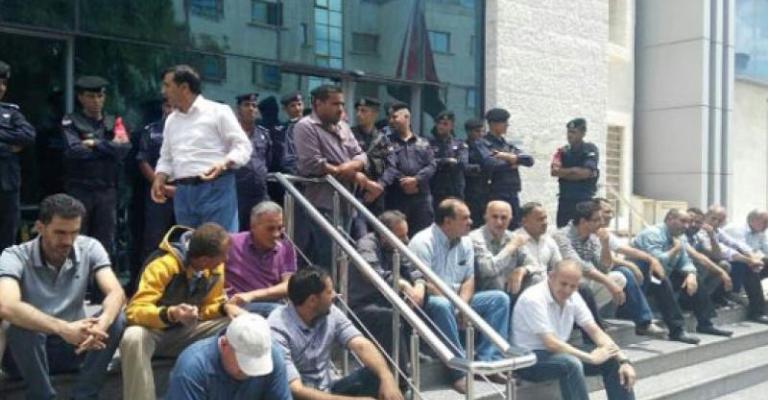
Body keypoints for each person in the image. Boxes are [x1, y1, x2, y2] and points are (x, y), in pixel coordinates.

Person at [0, 194, 126, 399]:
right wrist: (63, 328)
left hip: (76, 347)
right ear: (40, 228)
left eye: (74, 232)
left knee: (116, 317)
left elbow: (116, 292)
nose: (67, 241)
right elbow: (6, 305)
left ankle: (85, 394)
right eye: (60, 233)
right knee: (16, 323)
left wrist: (103, 323)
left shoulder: (89, 247)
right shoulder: (14, 255)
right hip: (27, 353)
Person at [120, 223, 245, 400]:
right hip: (154, 333)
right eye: (223, 254)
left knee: (235, 323)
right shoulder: (162, 265)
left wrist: (224, 307)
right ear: (204, 260)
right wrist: (171, 313)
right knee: (133, 337)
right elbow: (134, 310)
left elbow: (207, 308)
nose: (227, 258)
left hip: (187, 331)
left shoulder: (215, 268)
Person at [409, 198, 510, 391]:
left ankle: (489, 361)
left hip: (457, 300)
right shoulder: (422, 242)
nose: (470, 222)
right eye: (465, 218)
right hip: (430, 302)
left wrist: (462, 306)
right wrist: (456, 307)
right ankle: (459, 372)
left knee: (499, 299)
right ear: (447, 221)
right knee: (442, 305)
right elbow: (425, 282)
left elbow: (469, 278)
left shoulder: (466, 241)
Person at [268, 267, 403, 400]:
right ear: (312, 300)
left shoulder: (330, 311)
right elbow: (296, 389)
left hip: (328, 389)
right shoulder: (278, 327)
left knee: (375, 374)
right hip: (301, 396)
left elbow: (361, 345)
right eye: (329, 292)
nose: (335, 295)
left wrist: (386, 377)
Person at [513, 259, 636, 400]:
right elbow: (550, 343)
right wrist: (590, 358)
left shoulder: (574, 296)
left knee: (612, 360)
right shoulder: (533, 298)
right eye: (563, 284)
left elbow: (595, 331)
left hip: (557, 353)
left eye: (573, 286)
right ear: (551, 276)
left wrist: (624, 361)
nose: (567, 290)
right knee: (571, 364)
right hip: (528, 359)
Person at [151, 65, 252, 232]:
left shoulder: (218, 111)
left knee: (218, 244)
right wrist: (159, 178)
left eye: (167, 85)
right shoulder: (171, 120)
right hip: (183, 193)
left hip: (215, 188)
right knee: (188, 245)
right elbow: (166, 157)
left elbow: (243, 146)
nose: (163, 91)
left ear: (184, 88)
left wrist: (224, 163)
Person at [293, 84, 382, 269]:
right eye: (335, 104)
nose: (341, 109)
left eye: (342, 104)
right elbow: (313, 164)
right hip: (322, 203)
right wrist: (355, 176)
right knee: (328, 258)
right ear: (318, 104)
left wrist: (349, 168)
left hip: (346, 201)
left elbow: (361, 155)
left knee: (342, 257)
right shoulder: (305, 126)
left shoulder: (343, 126)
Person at [553, 201, 666, 338]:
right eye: (596, 220)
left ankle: (643, 322)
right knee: (590, 284)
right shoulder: (562, 236)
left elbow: (604, 268)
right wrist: (609, 283)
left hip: (584, 281)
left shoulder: (593, 237)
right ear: (583, 221)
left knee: (620, 277)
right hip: (564, 284)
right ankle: (587, 326)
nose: (601, 223)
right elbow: (579, 266)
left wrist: (605, 244)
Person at [593, 199, 699, 343]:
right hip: (597, 277)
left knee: (661, 276)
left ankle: (679, 328)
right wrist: (635, 264)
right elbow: (600, 260)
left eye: (612, 212)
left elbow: (625, 250)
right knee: (633, 270)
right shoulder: (653, 233)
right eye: (607, 212)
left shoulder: (606, 233)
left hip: (628, 278)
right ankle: (643, 321)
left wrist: (652, 260)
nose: (611, 215)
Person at [632, 209, 733, 337]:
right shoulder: (653, 234)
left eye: (688, 222)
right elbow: (656, 261)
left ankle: (705, 323)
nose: (686, 226)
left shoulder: (679, 237)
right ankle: (676, 330)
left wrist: (691, 274)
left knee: (692, 277)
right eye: (683, 221)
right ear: (670, 219)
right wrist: (675, 249)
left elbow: (685, 261)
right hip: (641, 280)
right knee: (660, 277)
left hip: (662, 276)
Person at [349, 210, 424, 380]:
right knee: (389, 316)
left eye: (406, 234)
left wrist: (419, 285)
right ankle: (402, 376)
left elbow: (413, 269)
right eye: (401, 236)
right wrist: (402, 283)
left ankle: (413, 352)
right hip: (363, 304)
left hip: (387, 300)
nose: (406, 240)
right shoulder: (367, 244)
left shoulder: (395, 245)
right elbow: (371, 273)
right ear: (384, 235)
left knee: (423, 301)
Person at [62, 75, 132, 253]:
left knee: (105, 242)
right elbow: (74, 151)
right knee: (77, 240)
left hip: (107, 190)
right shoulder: (71, 121)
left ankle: (101, 272)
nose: (96, 101)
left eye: (100, 96)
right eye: (91, 96)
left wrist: (95, 144)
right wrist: (109, 148)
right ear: (81, 97)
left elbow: (124, 149)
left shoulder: (114, 122)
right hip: (81, 189)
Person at [165, 313, 292, 400]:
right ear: (224, 344)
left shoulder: (273, 356)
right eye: (244, 361)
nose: (250, 371)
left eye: (258, 362)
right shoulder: (192, 368)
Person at [696, 206, 768, 323]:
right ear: (706, 216)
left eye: (720, 220)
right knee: (740, 265)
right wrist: (749, 260)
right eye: (713, 218)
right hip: (701, 267)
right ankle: (755, 310)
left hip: (718, 263)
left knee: (754, 264)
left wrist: (751, 256)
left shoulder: (717, 231)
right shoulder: (701, 232)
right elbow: (723, 252)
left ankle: (730, 296)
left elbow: (735, 244)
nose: (716, 222)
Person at [225, 201, 296, 317]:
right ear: (253, 227)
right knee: (279, 312)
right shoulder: (231, 243)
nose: (276, 234)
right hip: (238, 305)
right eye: (270, 229)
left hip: (271, 304)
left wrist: (252, 295)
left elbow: (288, 286)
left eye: (280, 228)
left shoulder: (285, 248)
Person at [380, 102, 437, 234]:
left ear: (406, 117)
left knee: (423, 234)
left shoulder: (423, 142)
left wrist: (416, 180)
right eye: (390, 117)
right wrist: (404, 182)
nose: (391, 121)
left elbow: (431, 165)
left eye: (395, 117)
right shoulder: (386, 142)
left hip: (421, 197)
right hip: (397, 197)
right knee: (396, 234)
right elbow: (388, 166)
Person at [476, 108, 534, 230]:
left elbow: (529, 160)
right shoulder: (483, 144)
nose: (507, 125)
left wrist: (507, 157)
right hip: (494, 193)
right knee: (495, 228)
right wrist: (512, 162)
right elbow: (490, 164)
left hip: (512, 192)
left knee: (514, 228)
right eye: (504, 122)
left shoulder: (507, 145)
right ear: (493, 124)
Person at [0, 60, 35, 251]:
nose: (1, 88)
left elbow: (28, 135)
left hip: (8, 186)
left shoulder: (11, 113)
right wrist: (9, 147)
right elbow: (17, 139)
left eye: (4, 83)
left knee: (7, 240)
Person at [137, 98, 175, 262]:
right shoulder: (151, 131)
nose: (173, 110)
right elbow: (142, 161)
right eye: (169, 106)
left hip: (182, 192)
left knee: (182, 238)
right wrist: (160, 185)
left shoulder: (190, 132)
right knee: (154, 239)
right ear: (164, 107)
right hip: (157, 192)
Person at [469, 201, 534, 297]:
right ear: (486, 217)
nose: (499, 222)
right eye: (494, 217)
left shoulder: (513, 237)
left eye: (504, 218)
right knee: (496, 278)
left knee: (536, 278)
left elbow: (534, 264)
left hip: (510, 289)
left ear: (510, 219)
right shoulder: (475, 238)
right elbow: (488, 269)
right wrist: (511, 247)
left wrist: (523, 270)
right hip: (486, 291)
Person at [350, 97, 390, 238]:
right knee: (359, 234)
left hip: (377, 195)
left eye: (364, 111)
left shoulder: (383, 139)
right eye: (358, 110)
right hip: (356, 192)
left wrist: (379, 187)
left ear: (374, 114)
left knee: (377, 234)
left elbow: (391, 166)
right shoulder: (350, 135)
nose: (359, 114)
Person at [551, 118, 599, 228]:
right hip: (565, 201)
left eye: (573, 132)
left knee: (583, 231)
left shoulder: (590, 149)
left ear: (583, 133)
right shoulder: (562, 151)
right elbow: (554, 171)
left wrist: (564, 173)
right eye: (568, 132)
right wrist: (574, 171)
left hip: (583, 200)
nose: (569, 135)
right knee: (562, 232)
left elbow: (585, 173)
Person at [234, 92, 272, 231]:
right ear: (238, 109)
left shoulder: (263, 134)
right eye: (246, 105)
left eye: (254, 105)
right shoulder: (231, 133)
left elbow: (268, 160)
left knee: (262, 230)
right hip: (237, 194)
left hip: (259, 193)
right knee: (237, 233)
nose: (251, 109)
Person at [429, 110, 468, 209]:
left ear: (452, 126)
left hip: (454, 189)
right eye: (439, 123)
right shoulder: (428, 143)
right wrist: (447, 161)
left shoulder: (459, 144)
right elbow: (428, 162)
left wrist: (440, 162)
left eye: (445, 124)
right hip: (435, 189)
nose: (441, 126)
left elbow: (462, 163)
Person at [463, 117, 488, 227]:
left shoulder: (486, 146)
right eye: (477, 131)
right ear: (469, 132)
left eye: (482, 131)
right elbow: (464, 166)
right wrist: (479, 168)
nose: (481, 134)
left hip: (486, 190)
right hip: (470, 190)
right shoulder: (464, 146)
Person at [277, 90, 304, 176]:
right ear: (285, 109)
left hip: (304, 171)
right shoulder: (282, 129)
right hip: (286, 173)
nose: (297, 108)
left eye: (299, 104)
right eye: (293, 106)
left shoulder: (309, 127)